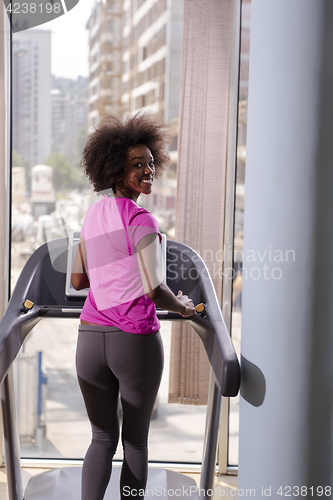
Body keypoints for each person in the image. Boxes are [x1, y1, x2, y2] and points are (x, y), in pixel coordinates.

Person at [71, 113, 196, 500]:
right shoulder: (143, 220)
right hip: (133, 341)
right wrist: (185, 307)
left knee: (101, 437)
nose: (148, 171)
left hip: (90, 340)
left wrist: (112, 274)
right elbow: (155, 288)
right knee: (135, 442)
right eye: (137, 165)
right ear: (115, 170)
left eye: (151, 162)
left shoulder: (93, 215)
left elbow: (78, 280)